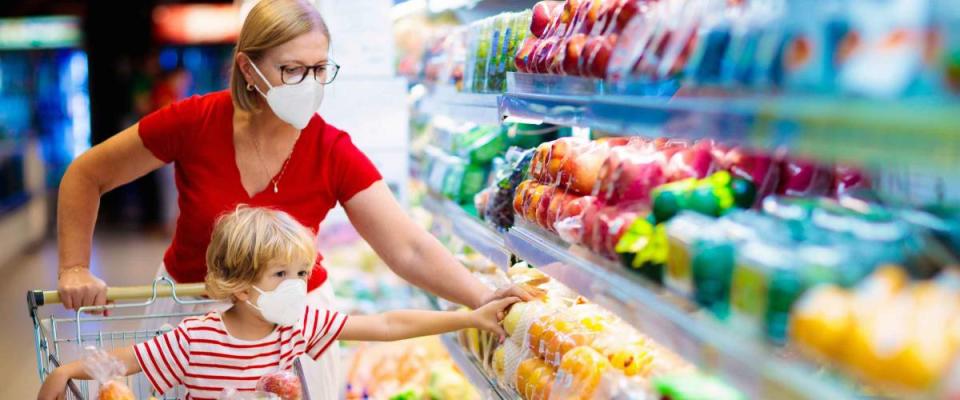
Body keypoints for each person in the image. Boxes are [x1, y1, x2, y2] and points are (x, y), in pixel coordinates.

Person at [54, 0, 530, 397]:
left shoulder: (331, 150)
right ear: (249, 68)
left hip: (292, 325)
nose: (311, 84)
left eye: (320, 69)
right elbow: (86, 174)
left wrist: (485, 297)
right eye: (292, 70)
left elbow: (407, 247)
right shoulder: (194, 122)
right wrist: (74, 266)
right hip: (190, 319)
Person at [39, 206, 520, 400]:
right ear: (242, 288)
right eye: (282, 275)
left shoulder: (298, 324)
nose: (299, 285)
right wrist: (63, 373)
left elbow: (387, 323)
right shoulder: (195, 338)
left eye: (302, 273)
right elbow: (119, 364)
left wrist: (467, 314)